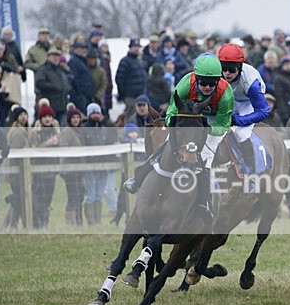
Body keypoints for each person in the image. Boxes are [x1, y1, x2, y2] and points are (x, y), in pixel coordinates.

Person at [123, 55, 233, 217]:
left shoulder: (226, 93)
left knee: (206, 157)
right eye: (203, 83)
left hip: (212, 123)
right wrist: (177, 127)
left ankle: (205, 202)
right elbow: (171, 113)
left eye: (212, 83)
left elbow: (224, 124)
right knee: (165, 146)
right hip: (188, 120)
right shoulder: (185, 84)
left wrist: (207, 130)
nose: (208, 87)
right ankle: (137, 179)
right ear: (196, 79)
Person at [217, 44, 269, 192]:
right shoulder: (215, 73)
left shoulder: (251, 83)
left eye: (232, 69)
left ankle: (251, 176)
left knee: (241, 133)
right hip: (229, 99)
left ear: (240, 67)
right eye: (224, 68)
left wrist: (237, 120)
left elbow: (264, 111)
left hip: (248, 102)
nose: (227, 73)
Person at [82, 103, 116, 225]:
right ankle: (91, 222)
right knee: (90, 194)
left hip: (103, 166)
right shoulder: (84, 128)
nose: (96, 115)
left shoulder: (105, 129)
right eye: (93, 113)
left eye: (98, 113)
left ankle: (97, 221)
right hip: (89, 167)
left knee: (99, 194)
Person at [28, 104, 60, 228]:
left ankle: (45, 224)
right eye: (45, 116)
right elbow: (33, 150)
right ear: (40, 118)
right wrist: (47, 143)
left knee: (47, 200)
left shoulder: (56, 132)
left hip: (51, 172)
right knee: (38, 200)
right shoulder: (35, 133)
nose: (47, 119)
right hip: (38, 172)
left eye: (50, 116)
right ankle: (37, 224)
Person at [58, 105, 86, 226]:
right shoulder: (67, 131)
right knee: (73, 196)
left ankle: (79, 221)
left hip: (79, 169)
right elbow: (62, 147)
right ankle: (70, 222)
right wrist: (76, 153)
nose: (76, 120)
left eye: (77, 117)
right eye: (73, 117)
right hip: (70, 170)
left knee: (80, 195)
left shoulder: (79, 131)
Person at [115, 38, 148, 121]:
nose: (137, 48)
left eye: (138, 46)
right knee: (131, 118)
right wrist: (123, 95)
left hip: (140, 95)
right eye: (135, 46)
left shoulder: (140, 61)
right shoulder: (124, 61)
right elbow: (119, 79)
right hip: (130, 96)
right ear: (130, 47)